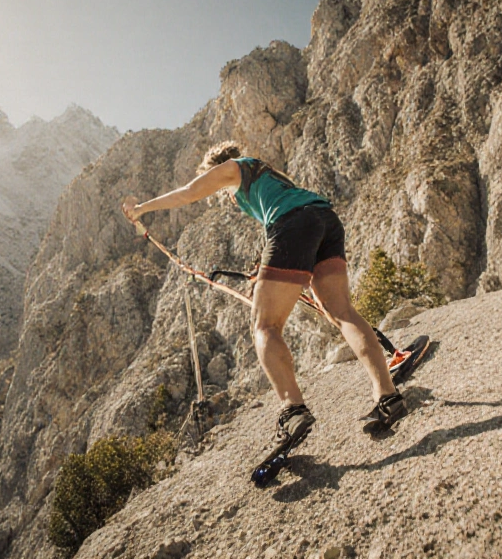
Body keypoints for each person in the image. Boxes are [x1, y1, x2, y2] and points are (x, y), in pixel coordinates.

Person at [121, 140, 408, 456]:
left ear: (218, 168)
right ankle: (387, 395)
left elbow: (190, 193)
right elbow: (290, 221)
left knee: (265, 326)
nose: (223, 195)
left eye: (220, 188)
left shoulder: (234, 168)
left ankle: (293, 409)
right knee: (341, 311)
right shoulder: (269, 174)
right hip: (324, 219)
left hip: (293, 225)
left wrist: (141, 210)